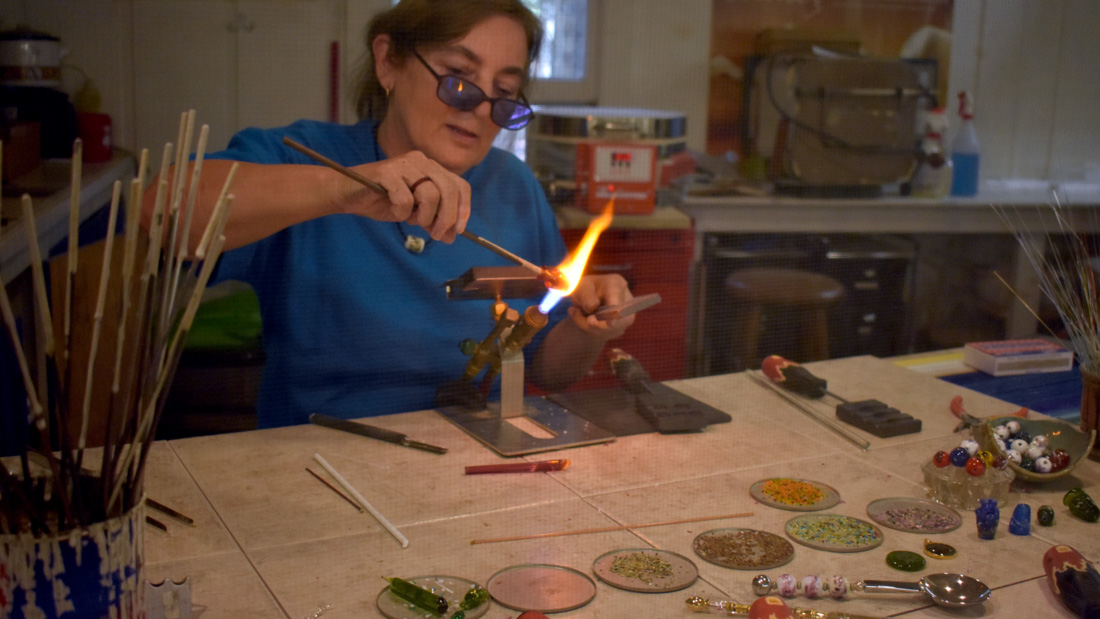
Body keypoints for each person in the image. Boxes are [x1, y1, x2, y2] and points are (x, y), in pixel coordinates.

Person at [143, 0, 635, 429]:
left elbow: (547, 370)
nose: (481, 111)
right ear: (388, 62)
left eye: (504, 96)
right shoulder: (312, 157)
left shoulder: (514, 186)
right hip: (328, 468)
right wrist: (341, 189)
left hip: (485, 466)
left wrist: (586, 328)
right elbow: (159, 212)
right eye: (458, 80)